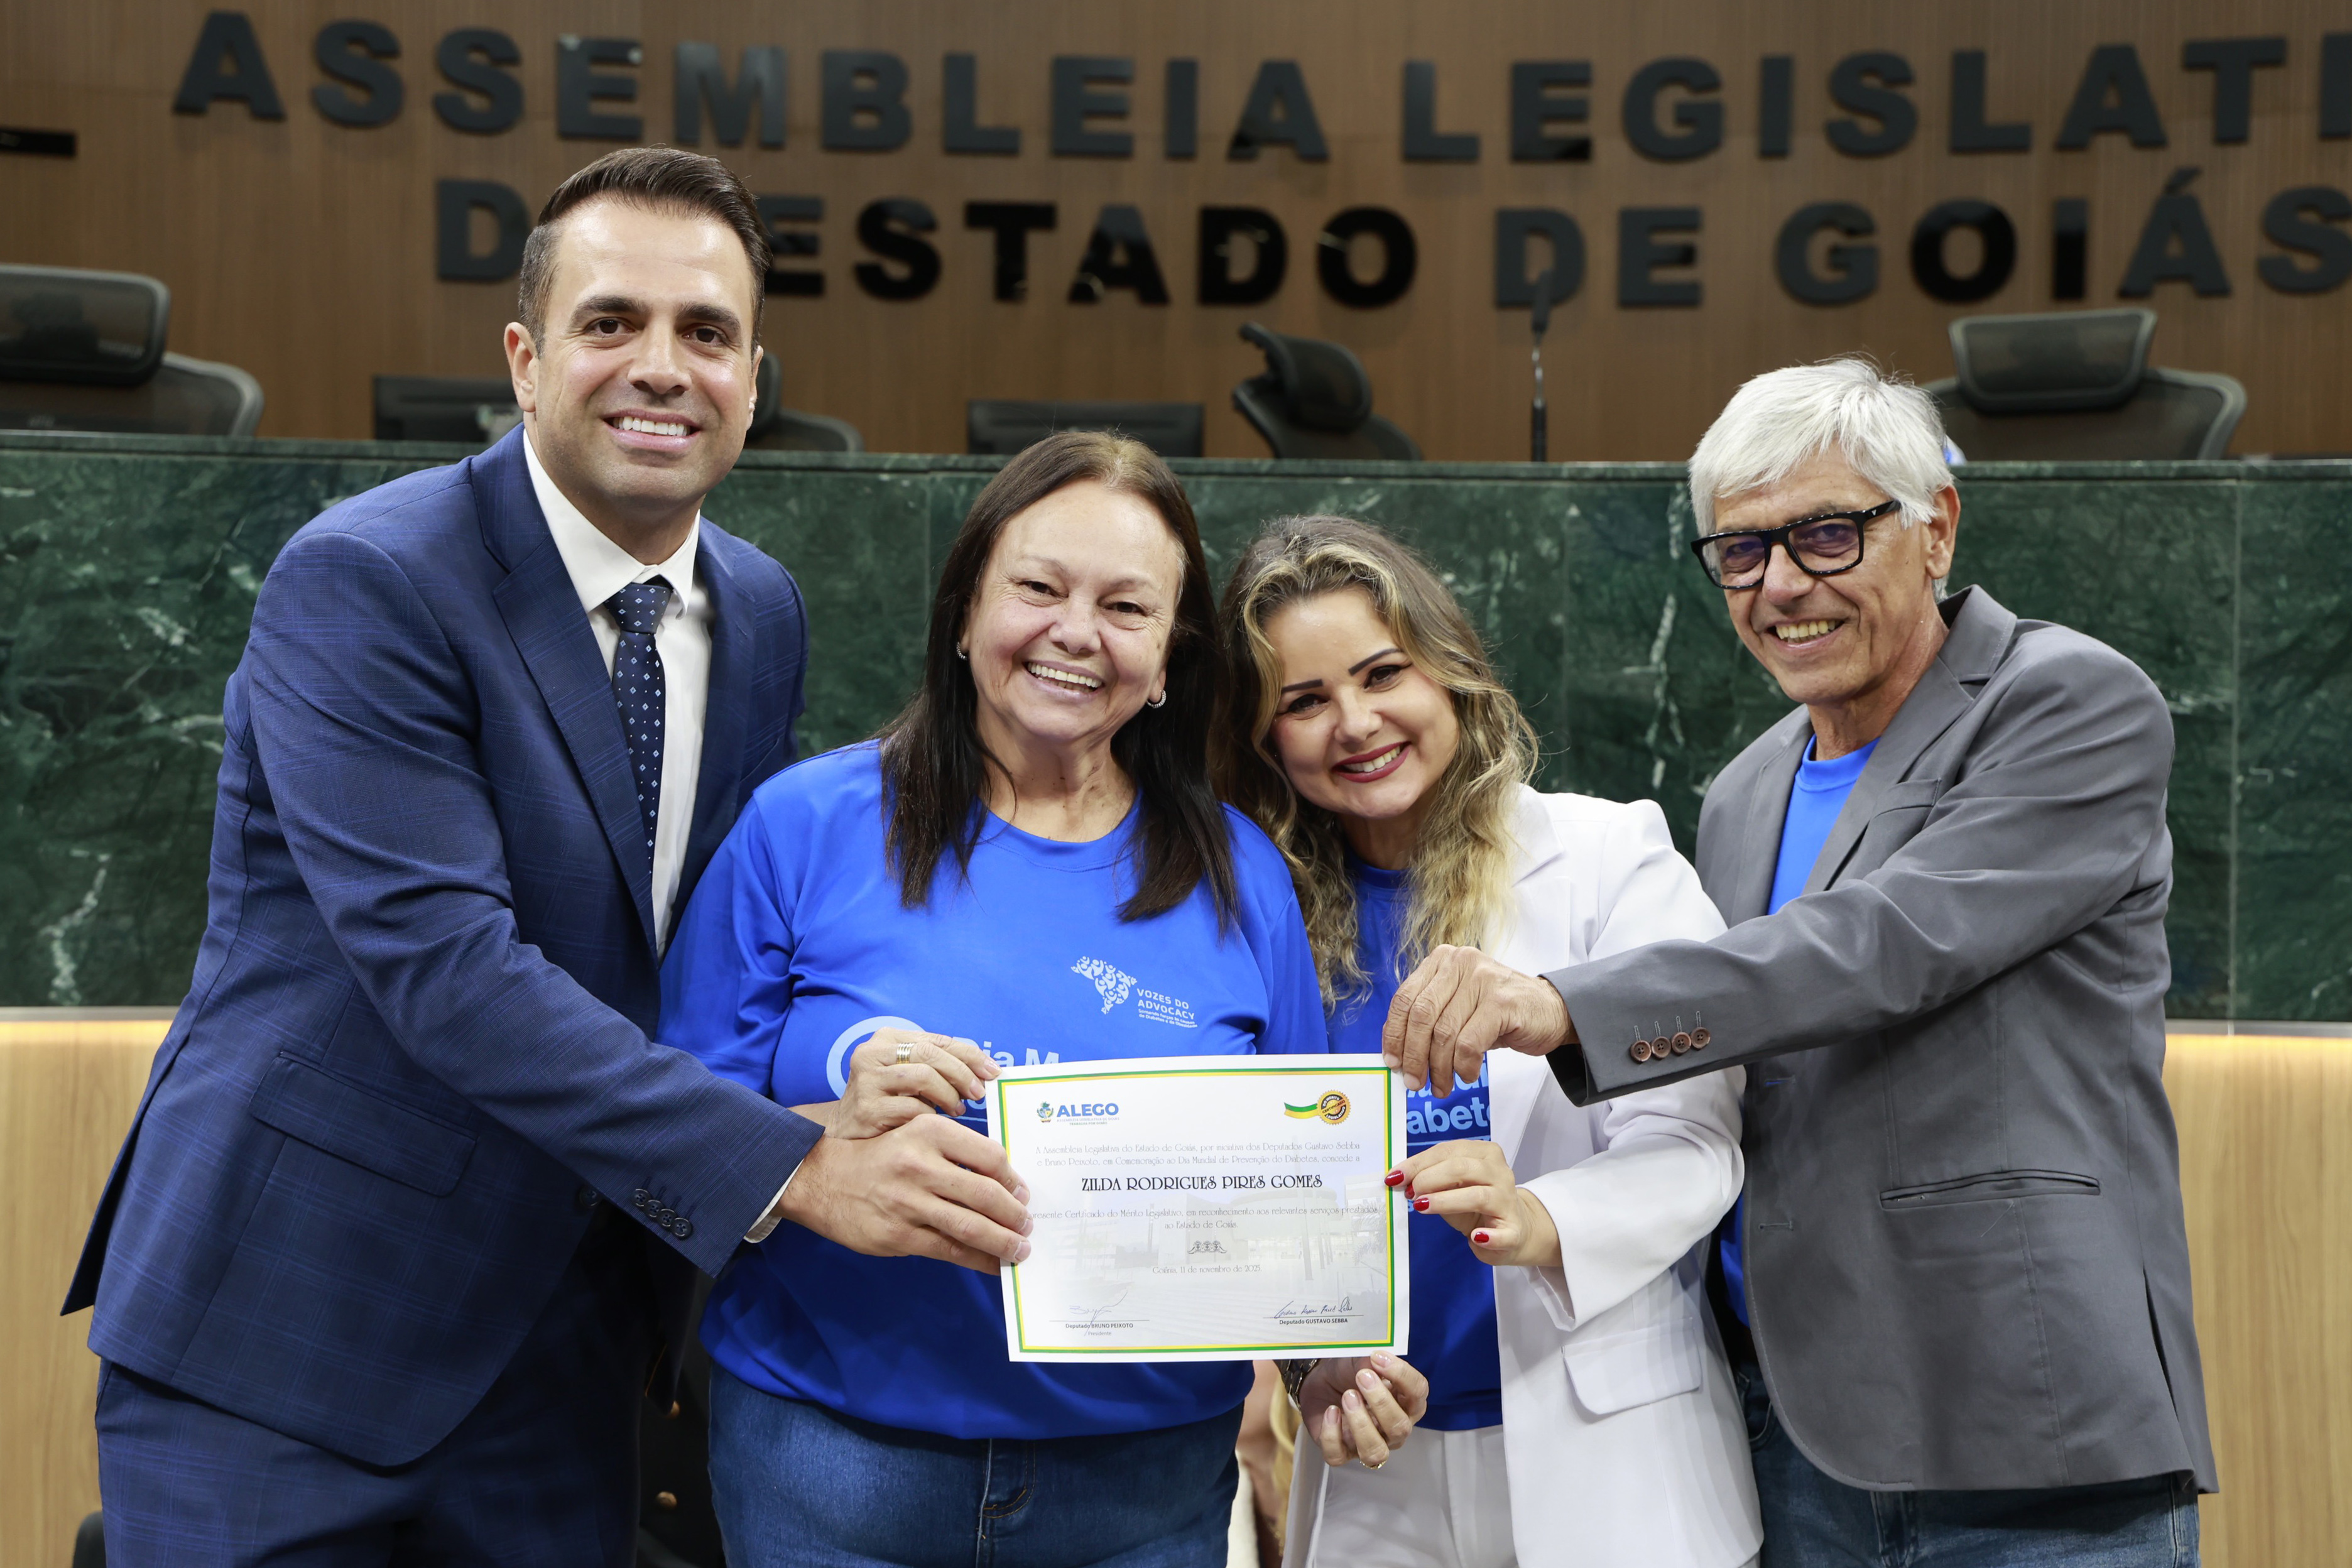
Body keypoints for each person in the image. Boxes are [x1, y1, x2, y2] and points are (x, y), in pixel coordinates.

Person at [64, 148, 1030, 1567]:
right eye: (610, 323)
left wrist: (836, 1066)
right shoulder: (371, 578)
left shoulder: (760, 609)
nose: (662, 368)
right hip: (292, 1335)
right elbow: (449, 972)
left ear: (754, 379)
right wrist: (794, 1170)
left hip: (570, 1357)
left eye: (706, 333)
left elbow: (711, 951)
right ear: (525, 362)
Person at [1381, 359, 2214, 1567]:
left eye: (1827, 535)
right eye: (1741, 550)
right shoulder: (1747, 788)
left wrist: (1564, 1006)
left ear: (1936, 527)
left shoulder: (2069, 703)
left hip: (2023, 1428)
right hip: (1793, 1431)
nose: (1780, 585)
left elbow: (1886, 943)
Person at [658, 433, 1427, 1568]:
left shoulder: (1242, 875)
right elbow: (663, 1133)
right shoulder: (801, 827)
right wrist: (818, 1140)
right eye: (1038, 588)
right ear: (965, 615)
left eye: (1127, 607)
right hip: (829, 1469)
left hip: (1144, 1492)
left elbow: (1301, 1191)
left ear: (1167, 660)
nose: (1076, 633)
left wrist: (1323, 1364)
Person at [1217, 516, 1762, 1568]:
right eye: (1304, 701)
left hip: (1613, 1460)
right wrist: (1309, 1365)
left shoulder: (1608, 856)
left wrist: (1539, 1219)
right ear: (1263, 737)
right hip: (1376, 1466)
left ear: (1450, 671)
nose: (1356, 723)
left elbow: (1699, 1144)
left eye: (1384, 674)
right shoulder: (1253, 915)